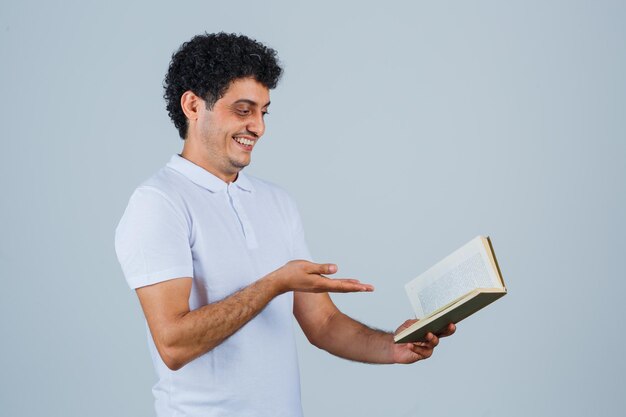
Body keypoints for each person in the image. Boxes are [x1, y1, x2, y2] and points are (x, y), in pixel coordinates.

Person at [115, 32, 455, 417]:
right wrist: (274, 284)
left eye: (264, 111)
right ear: (193, 105)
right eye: (243, 110)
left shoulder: (276, 202)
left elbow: (323, 322)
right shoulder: (159, 203)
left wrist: (394, 345)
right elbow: (173, 345)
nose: (258, 127)